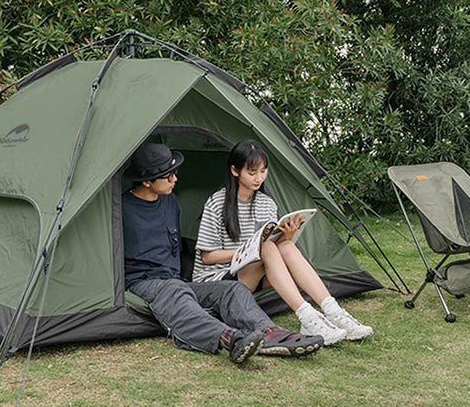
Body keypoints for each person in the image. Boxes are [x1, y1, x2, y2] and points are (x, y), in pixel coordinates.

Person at [122, 143, 323, 363]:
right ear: (147, 181)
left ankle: (270, 333)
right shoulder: (122, 208)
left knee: (232, 289)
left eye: (175, 174)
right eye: (168, 177)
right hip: (144, 281)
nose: (175, 180)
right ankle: (231, 339)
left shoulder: (170, 201)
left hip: (176, 279)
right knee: (176, 292)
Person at [192, 139, 373, 344]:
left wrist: (286, 237)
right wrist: (248, 251)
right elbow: (207, 257)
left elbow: (271, 248)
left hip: (255, 273)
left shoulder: (266, 203)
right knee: (266, 247)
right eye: (252, 172)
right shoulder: (217, 202)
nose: (259, 178)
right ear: (235, 171)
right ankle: (307, 316)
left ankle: (334, 311)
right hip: (219, 281)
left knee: (284, 245)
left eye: (263, 171)